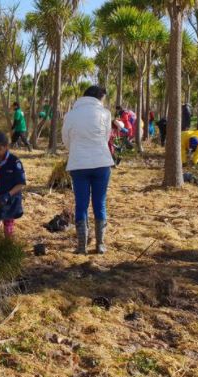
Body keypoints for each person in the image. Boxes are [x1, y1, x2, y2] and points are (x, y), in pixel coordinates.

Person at [62, 85, 114, 255]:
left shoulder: (71, 114)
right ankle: (100, 245)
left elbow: (66, 139)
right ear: (99, 97)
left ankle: (81, 246)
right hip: (101, 162)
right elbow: (106, 137)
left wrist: (76, 150)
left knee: (81, 205)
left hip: (79, 165)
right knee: (100, 203)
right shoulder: (105, 114)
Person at [0, 132, 26, 238]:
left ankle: (8, 247)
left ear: (6, 146)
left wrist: (8, 195)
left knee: (8, 225)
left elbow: (21, 184)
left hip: (10, 199)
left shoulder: (14, 162)